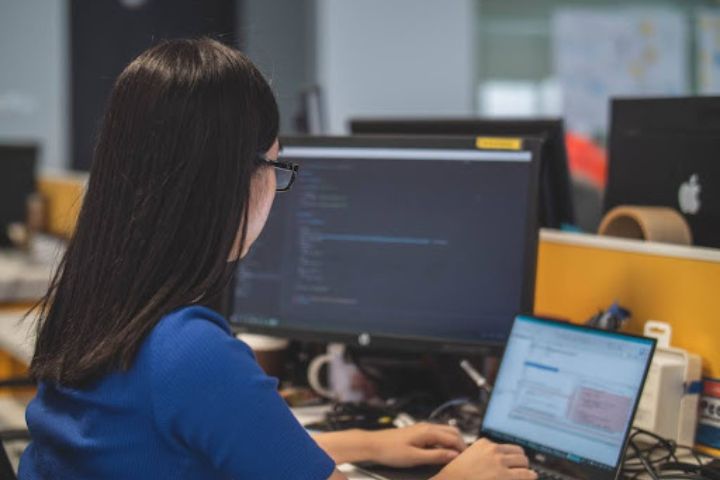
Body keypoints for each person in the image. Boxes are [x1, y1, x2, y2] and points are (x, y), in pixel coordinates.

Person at [18, 38, 538, 480]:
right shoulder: (191, 353)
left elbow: (235, 449)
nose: (278, 184)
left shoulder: (90, 306)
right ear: (231, 177)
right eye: (276, 163)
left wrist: (366, 444)